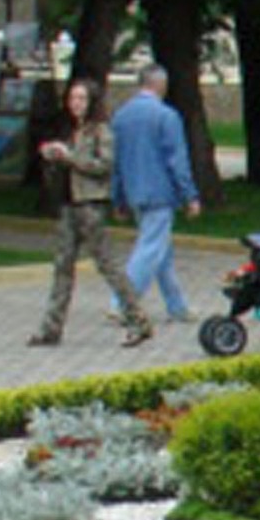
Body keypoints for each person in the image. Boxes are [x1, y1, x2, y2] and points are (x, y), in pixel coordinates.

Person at [32, 79, 149, 348]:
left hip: (90, 204)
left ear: (92, 101)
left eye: (81, 98)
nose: (75, 104)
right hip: (68, 202)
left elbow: (104, 165)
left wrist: (70, 157)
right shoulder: (72, 129)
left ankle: (138, 320)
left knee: (107, 264)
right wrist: (52, 155)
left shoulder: (101, 131)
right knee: (62, 266)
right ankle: (51, 327)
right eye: (72, 98)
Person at [108, 64, 202, 325]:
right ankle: (122, 302)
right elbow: (177, 161)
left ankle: (177, 306)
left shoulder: (121, 116)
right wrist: (190, 195)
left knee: (161, 252)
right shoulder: (166, 116)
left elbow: (116, 162)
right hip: (160, 193)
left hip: (134, 192)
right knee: (149, 249)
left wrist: (118, 198)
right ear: (161, 85)